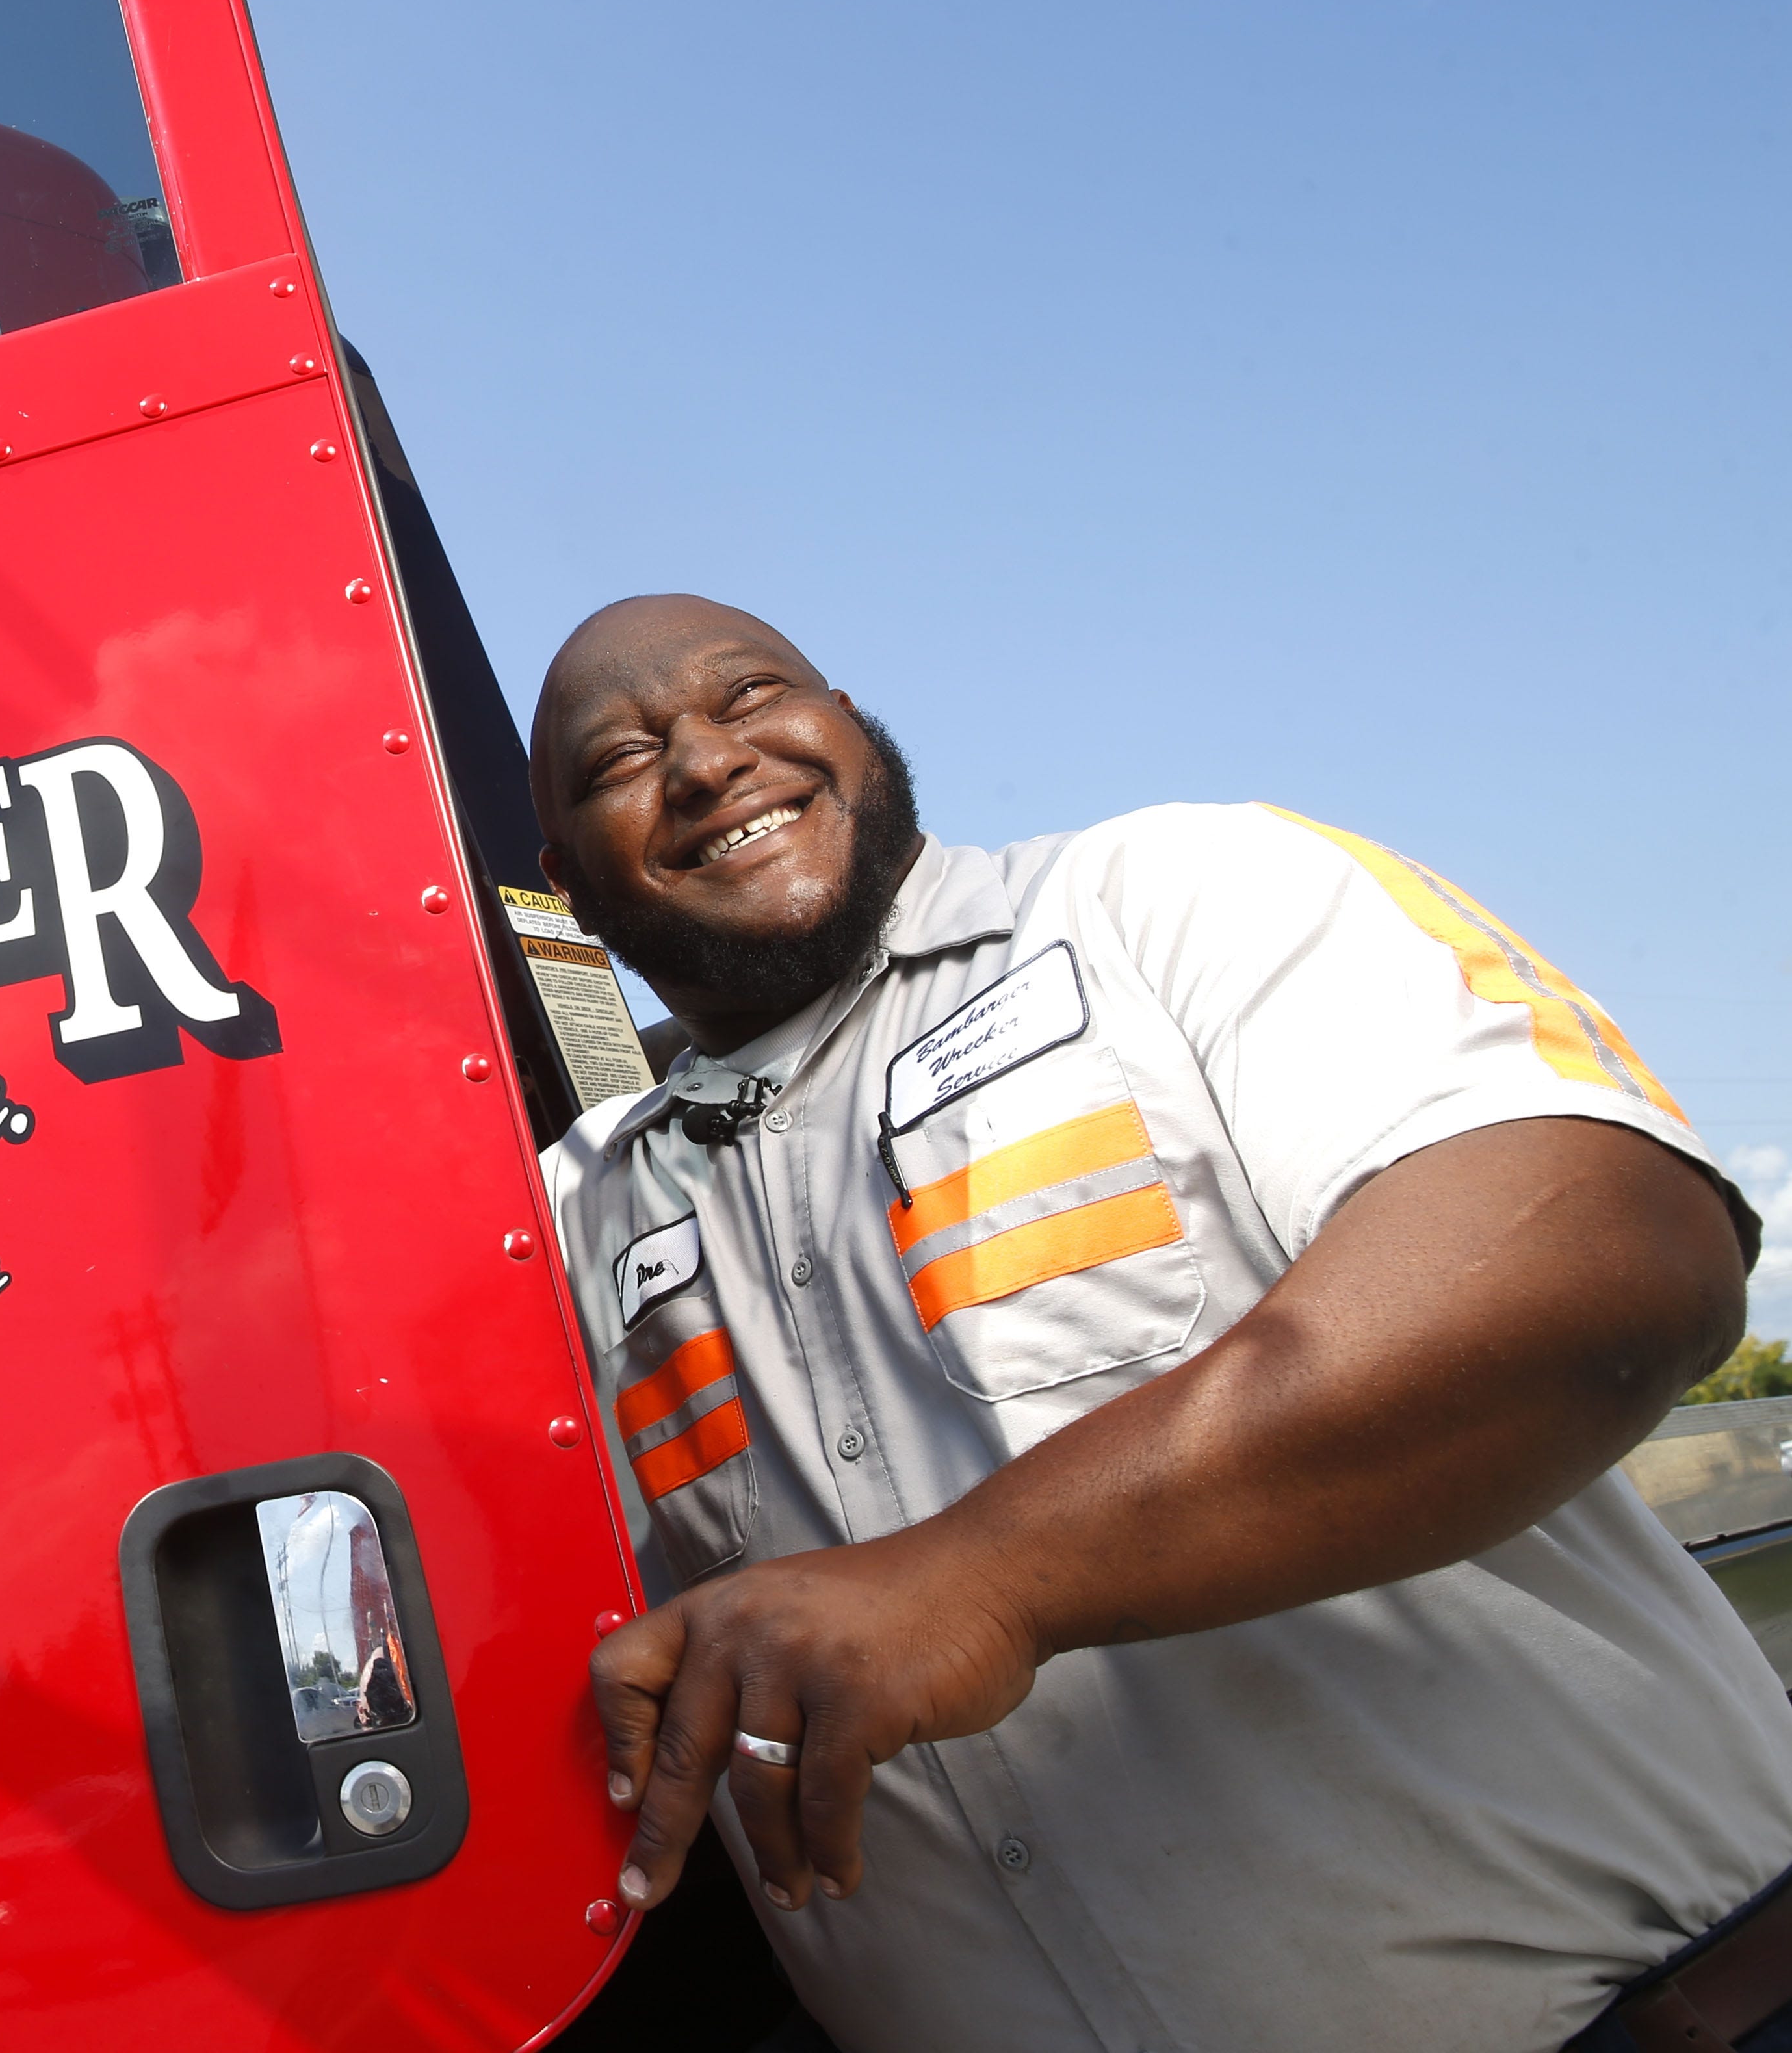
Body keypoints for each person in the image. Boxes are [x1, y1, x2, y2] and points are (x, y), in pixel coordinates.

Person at [531, 593, 1792, 2053]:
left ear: (851, 727)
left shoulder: (1175, 894)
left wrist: (981, 1582)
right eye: (625, 757)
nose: (706, 763)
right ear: (562, 883)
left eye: (752, 697)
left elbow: (1612, 1248)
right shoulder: (567, 1217)